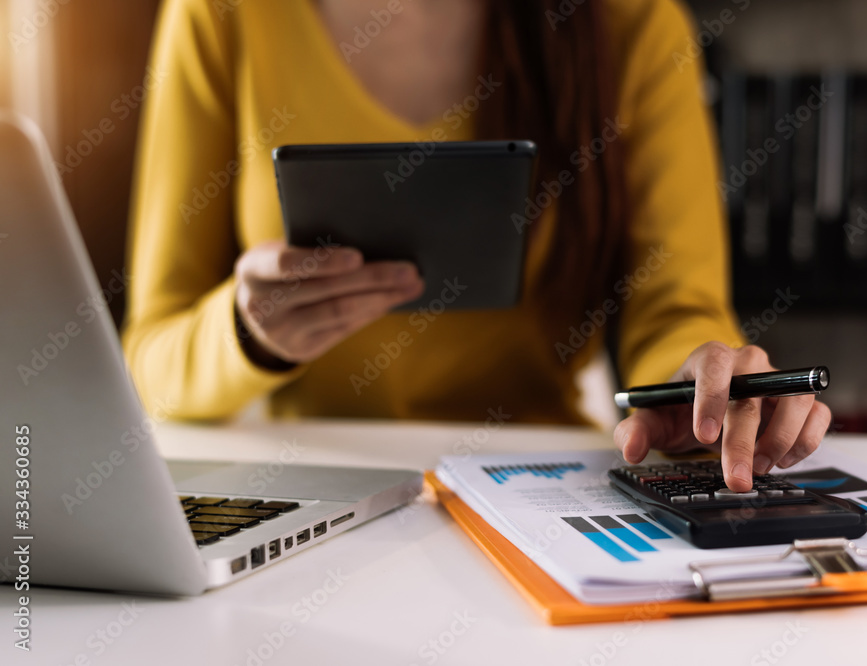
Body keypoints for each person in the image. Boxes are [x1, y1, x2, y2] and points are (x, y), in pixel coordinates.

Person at [123, 0, 831, 492]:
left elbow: (673, 303)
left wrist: (695, 381)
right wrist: (246, 334)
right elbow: (150, 360)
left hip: (537, 484)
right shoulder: (222, 15)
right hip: (310, 478)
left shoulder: (636, 28)